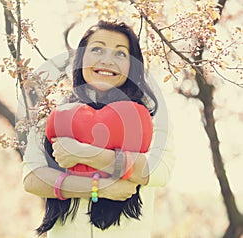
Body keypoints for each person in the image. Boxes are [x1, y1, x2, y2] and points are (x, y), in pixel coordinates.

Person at [22, 20, 175, 238]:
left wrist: (83, 153)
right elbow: (32, 178)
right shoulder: (55, 113)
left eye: (120, 54)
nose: (107, 60)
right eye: (97, 49)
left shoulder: (149, 114)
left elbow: (157, 171)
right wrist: (98, 188)